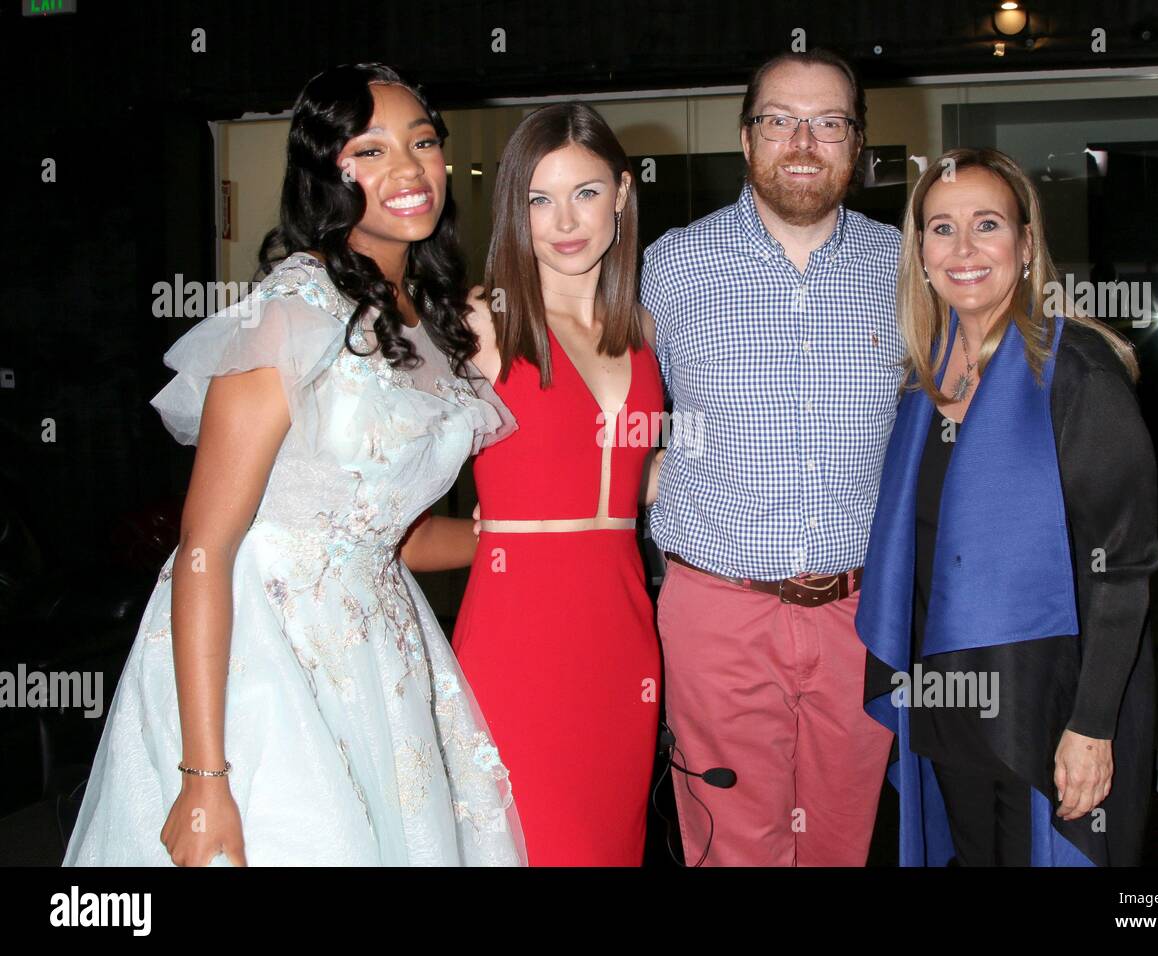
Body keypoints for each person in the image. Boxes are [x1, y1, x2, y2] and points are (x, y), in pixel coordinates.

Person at [64, 64, 525, 866]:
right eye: (371, 151)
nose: (409, 170)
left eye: (422, 142)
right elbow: (205, 546)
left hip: (384, 652)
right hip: (256, 655)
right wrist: (206, 775)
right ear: (328, 172)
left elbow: (394, 539)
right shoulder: (288, 310)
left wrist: (525, 538)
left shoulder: (429, 317)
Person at [856, 146, 1158, 866]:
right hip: (946, 698)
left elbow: (1125, 569)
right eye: (941, 228)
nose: (962, 249)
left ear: (1026, 244)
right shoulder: (921, 383)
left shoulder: (1077, 372)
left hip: (1046, 706)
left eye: (986, 224)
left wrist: (1092, 727)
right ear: (920, 250)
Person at [640, 49, 902, 866]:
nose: (802, 141)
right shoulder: (668, 266)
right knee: (732, 846)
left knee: (841, 842)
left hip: (860, 617)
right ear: (746, 140)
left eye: (828, 123)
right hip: (717, 611)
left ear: (856, 146)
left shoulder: (908, 267)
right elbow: (601, 398)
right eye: (779, 120)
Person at [451, 103, 665, 866]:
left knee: (612, 845)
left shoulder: (640, 331)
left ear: (623, 194)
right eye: (539, 199)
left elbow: (636, 483)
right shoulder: (481, 323)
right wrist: (476, 530)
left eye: (584, 193)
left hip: (624, 635)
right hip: (520, 634)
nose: (564, 221)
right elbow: (381, 480)